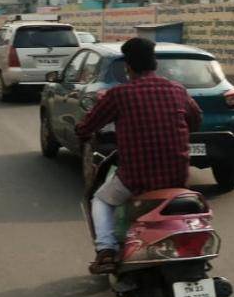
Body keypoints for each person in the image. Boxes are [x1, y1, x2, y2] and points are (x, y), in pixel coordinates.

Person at [76, 37, 202, 274]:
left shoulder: (119, 94)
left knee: (101, 200)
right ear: (154, 64)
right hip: (176, 179)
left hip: (136, 179)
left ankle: (106, 251)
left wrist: (81, 132)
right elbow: (195, 120)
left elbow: (87, 126)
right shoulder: (177, 90)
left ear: (128, 67)